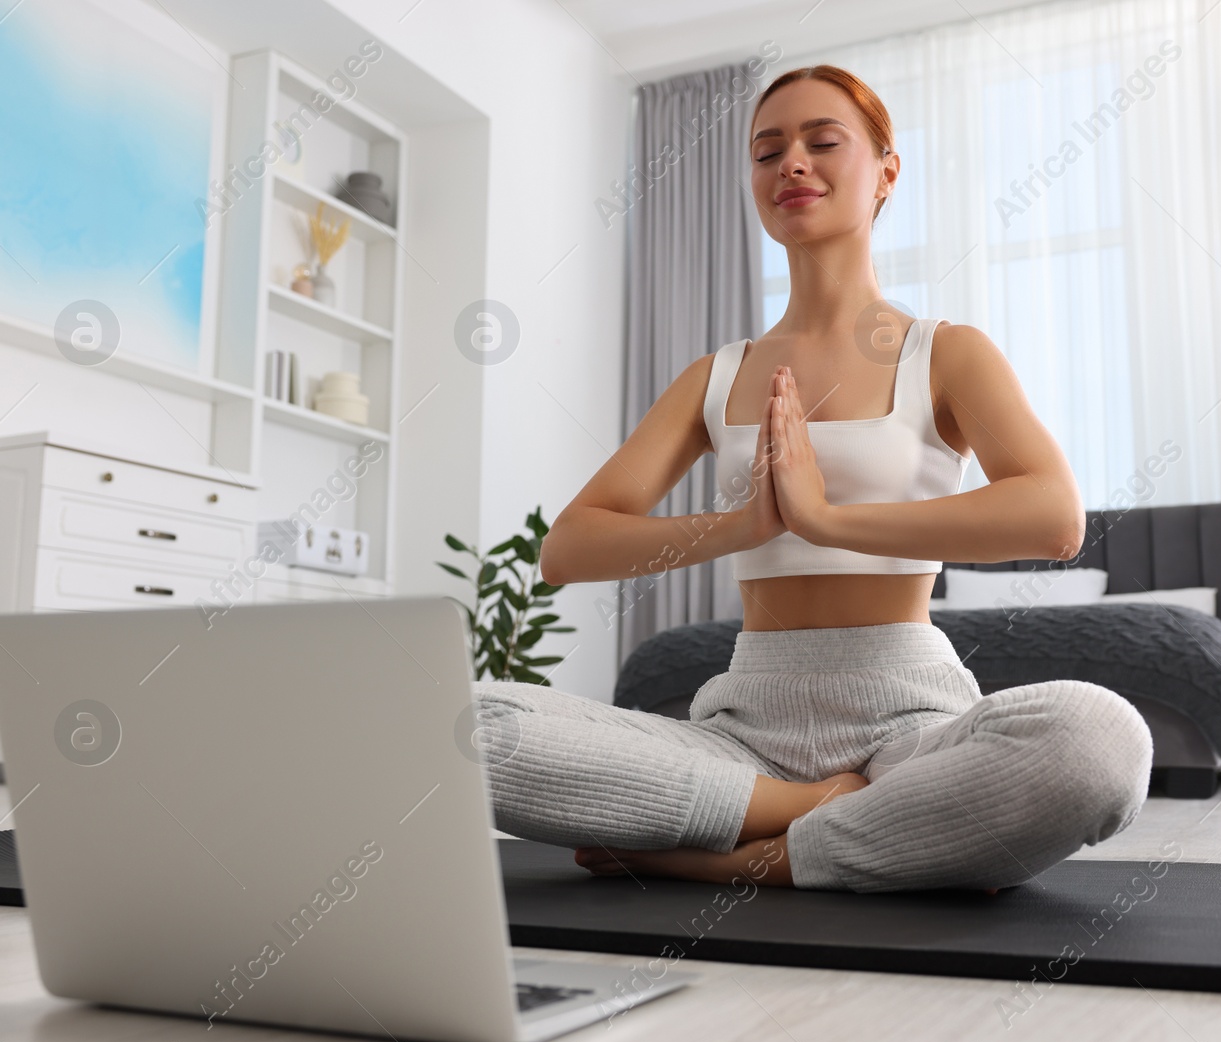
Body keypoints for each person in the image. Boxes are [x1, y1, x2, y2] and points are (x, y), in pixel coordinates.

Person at [468, 64, 1152, 894]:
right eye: (767, 151)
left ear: (886, 173)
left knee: (1099, 741)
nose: (792, 163)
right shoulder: (716, 376)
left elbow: (1053, 517)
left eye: (823, 142)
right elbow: (569, 550)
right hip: (742, 728)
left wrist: (826, 518)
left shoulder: (946, 352)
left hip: (910, 724)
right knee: (470, 724)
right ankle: (810, 806)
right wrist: (744, 526)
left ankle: (747, 857)